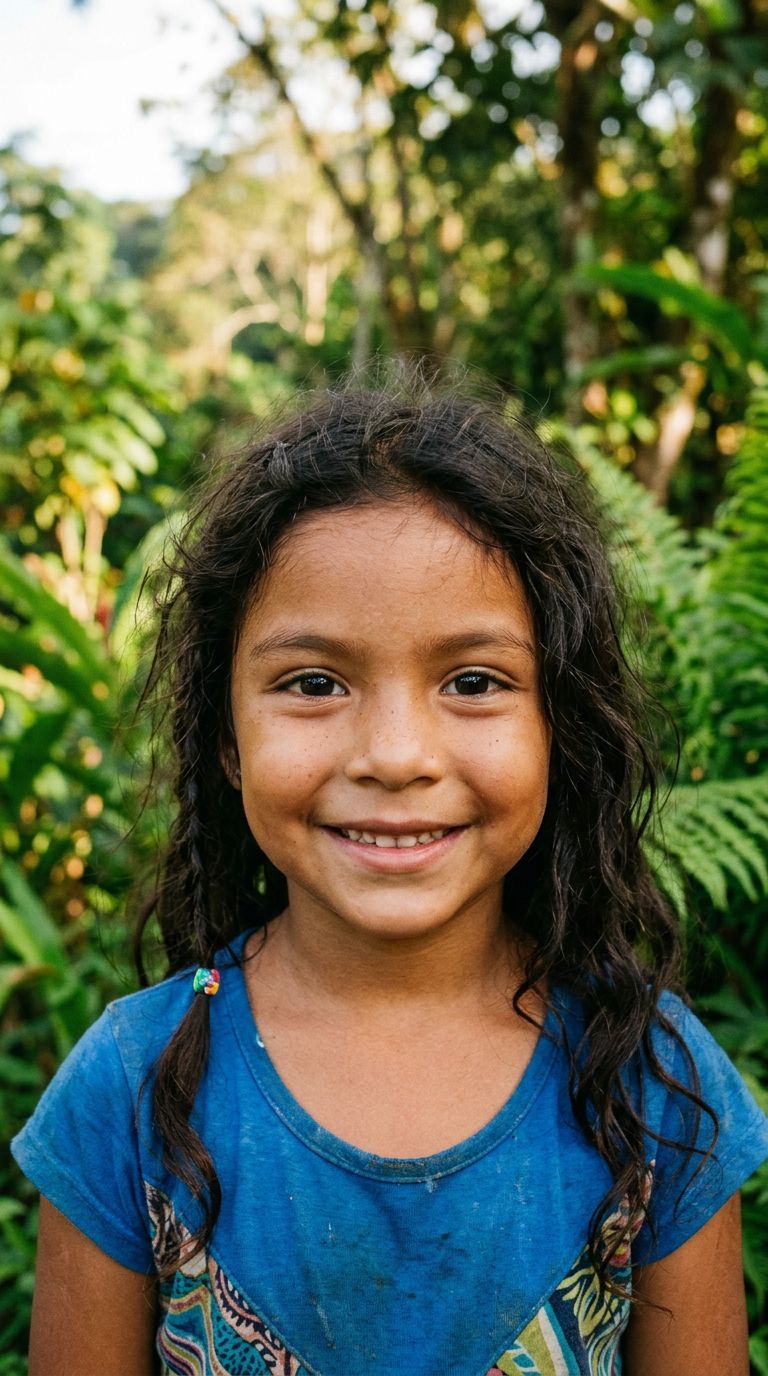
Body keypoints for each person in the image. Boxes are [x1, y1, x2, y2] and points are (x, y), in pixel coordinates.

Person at [12, 383, 768, 1376]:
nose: (397, 753)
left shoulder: (653, 1083)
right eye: (314, 682)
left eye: (474, 680)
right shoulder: (130, 1087)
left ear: (558, 724)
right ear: (226, 736)